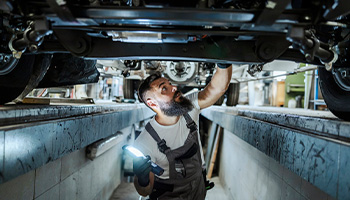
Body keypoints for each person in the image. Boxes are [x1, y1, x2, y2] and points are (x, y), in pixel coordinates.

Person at [133, 63, 233, 200]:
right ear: (152, 103)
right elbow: (145, 191)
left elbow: (217, 88)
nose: (174, 88)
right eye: (164, 89)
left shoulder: (188, 108)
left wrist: (224, 61)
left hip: (198, 191)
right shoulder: (145, 142)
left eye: (170, 84)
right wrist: (142, 179)